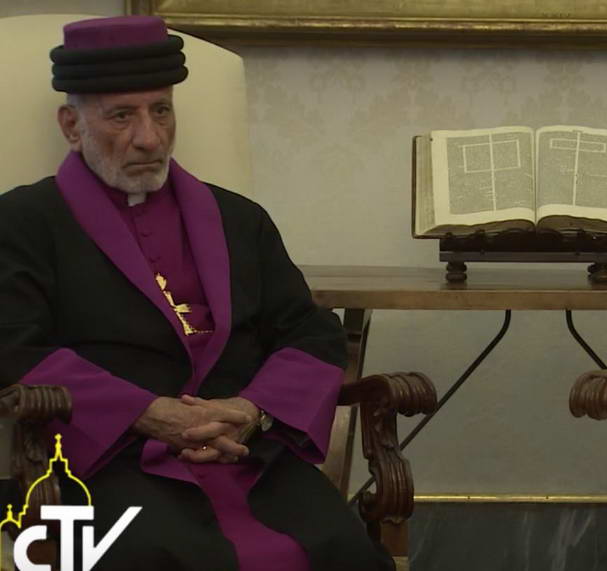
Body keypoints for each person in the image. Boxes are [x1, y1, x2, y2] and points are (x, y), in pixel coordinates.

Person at [0, 15, 393, 571]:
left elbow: (310, 331)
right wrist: (147, 413)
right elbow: (13, 347)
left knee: (343, 549)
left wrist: (250, 409)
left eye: (161, 111)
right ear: (71, 125)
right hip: (105, 459)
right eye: (122, 115)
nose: (149, 137)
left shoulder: (239, 219)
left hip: (249, 453)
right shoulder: (22, 222)